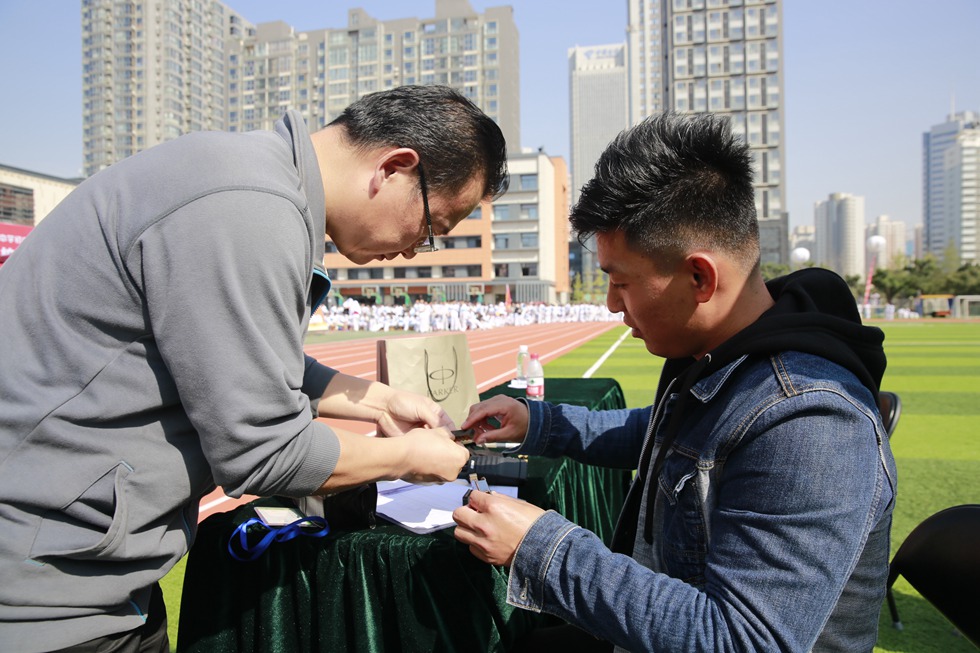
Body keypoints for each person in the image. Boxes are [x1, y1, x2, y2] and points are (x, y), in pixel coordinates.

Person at [0, 85, 507, 653]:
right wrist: (410, 457)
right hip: (45, 579)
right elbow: (265, 452)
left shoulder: (253, 182)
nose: (416, 250)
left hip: (84, 564)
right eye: (432, 227)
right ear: (393, 168)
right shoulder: (249, 206)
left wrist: (381, 401)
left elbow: (242, 359)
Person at [453, 112, 897, 652]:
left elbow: (745, 641)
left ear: (700, 276)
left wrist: (540, 547)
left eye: (620, 282)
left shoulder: (809, 421)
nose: (611, 304)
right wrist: (539, 422)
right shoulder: (728, 355)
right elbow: (664, 434)